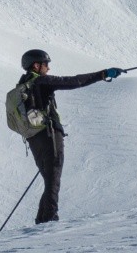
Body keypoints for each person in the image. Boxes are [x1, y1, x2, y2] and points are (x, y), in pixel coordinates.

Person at [16, 50, 121, 224]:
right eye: (46, 64)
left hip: (34, 138)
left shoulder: (23, 84)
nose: (48, 68)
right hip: (49, 134)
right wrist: (103, 74)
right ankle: (49, 220)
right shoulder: (41, 81)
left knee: (49, 179)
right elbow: (73, 81)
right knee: (54, 178)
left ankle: (42, 221)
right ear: (36, 65)